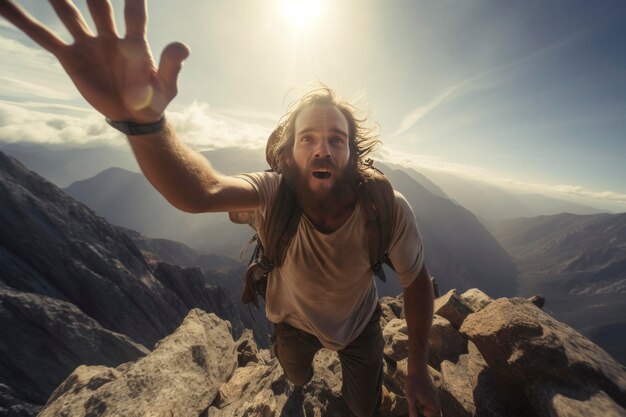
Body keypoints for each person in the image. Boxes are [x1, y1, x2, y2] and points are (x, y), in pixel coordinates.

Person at [0, 1, 441, 416]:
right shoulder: (273, 192)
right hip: (292, 324)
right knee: (297, 375)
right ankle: (300, 385)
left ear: (352, 155)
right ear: (286, 157)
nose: (322, 149)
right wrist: (142, 124)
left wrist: (418, 370)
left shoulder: (386, 208)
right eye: (307, 138)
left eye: (336, 139)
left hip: (360, 326)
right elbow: (202, 191)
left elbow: (416, 283)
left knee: (364, 407)